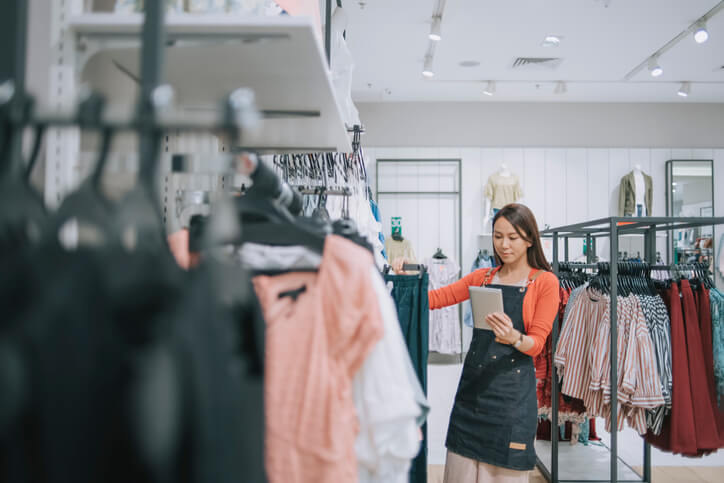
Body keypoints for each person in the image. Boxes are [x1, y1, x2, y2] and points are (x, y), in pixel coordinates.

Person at [393, 203, 560, 482]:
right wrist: (406, 279)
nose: (503, 245)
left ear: (530, 239)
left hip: (512, 403)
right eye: (497, 236)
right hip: (471, 397)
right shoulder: (482, 277)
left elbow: (537, 344)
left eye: (512, 237)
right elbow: (435, 299)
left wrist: (514, 338)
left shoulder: (545, 282)